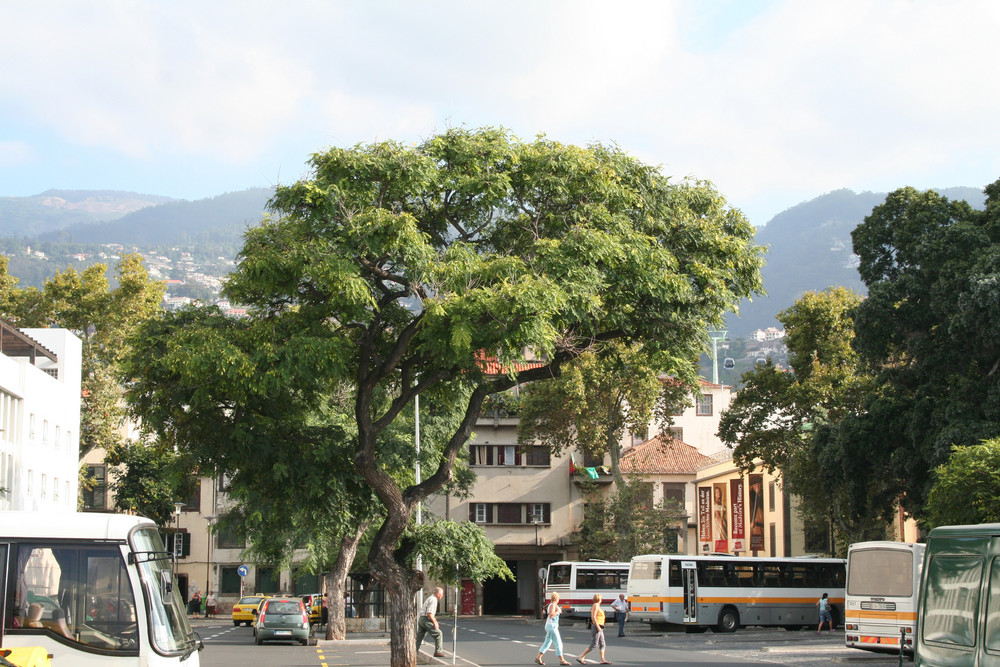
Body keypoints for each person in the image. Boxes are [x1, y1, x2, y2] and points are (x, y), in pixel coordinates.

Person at [534, 592, 571, 666]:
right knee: (558, 643)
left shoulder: (554, 605)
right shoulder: (552, 605)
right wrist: (557, 611)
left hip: (551, 626)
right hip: (552, 626)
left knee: (547, 642)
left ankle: (538, 657)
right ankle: (562, 660)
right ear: (557, 598)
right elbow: (551, 615)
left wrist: (558, 609)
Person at [577, 593, 610, 665]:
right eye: (601, 598)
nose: (602, 599)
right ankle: (581, 656)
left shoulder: (597, 605)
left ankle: (602, 659)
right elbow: (594, 616)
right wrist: (597, 626)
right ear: (599, 599)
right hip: (597, 626)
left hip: (600, 626)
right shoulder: (596, 605)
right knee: (594, 644)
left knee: (602, 643)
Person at [416, 587, 446, 658]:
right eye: (441, 594)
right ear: (438, 594)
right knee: (438, 634)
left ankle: (413, 651)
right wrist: (435, 622)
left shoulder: (430, 598)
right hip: (426, 619)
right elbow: (429, 613)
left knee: (419, 637)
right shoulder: (433, 600)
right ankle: (438, 651)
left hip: (421, 619)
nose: (442, 596)